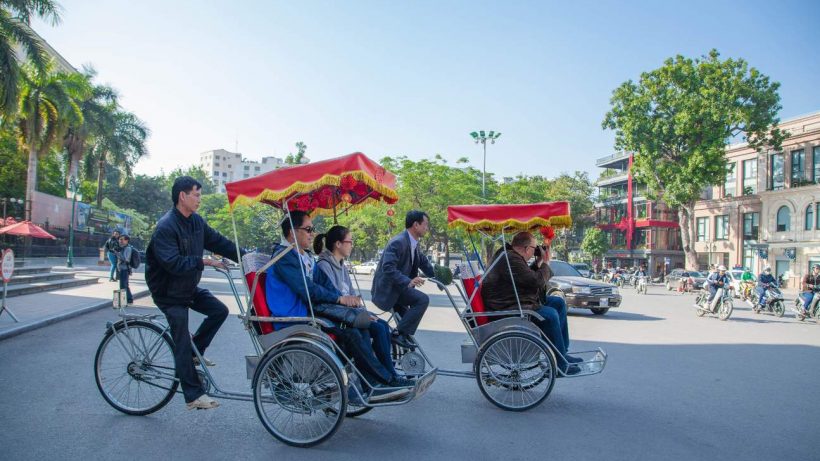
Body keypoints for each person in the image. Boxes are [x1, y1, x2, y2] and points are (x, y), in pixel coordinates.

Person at [266, 211, 411, 401]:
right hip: (294, 315)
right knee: (351, 333)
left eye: (313, 229)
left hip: (310, 309)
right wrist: (339, 300)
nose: (312, 234)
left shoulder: (305, 256)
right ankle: (382, 381)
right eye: (308, 229)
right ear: (293, 232)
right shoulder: (285, 256)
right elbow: (307, 289)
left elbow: (323, 285)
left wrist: (342, 299)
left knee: (363, 328)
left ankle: (375, 382)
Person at [145, 176, 242, 411]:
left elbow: (219, 242)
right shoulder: (166, 226)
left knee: (219, 310)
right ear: (182, 196)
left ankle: (195, 352)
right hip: (167, 292)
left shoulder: (196, 222)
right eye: (196, 195)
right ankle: (193, 395)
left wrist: (245, 256)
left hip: (186, 287)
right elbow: (173, 263)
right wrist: (205, 261)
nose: (200, 199)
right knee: (180, 340)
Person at [312, 225, 411, 387]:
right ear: (338, 244)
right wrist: (359, 314)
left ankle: (390, 374)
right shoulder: (324, 265)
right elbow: (336, 297)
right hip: (336, 314)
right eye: (349, 242)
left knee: (382, 326)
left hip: (349, 312)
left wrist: (363, 313)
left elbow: (352, 295)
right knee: (373, 328)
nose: (352, 245)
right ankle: (383, 378)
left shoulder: (342, 266)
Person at [481, 232, 581, 375]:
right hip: (506, 308)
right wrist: (546, 263)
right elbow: (535, 282)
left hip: (514, 302)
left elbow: (526, 278)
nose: (535, 251)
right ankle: (559, 364)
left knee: (558, 302)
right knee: (550, 315)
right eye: (535, 248)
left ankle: (562, 353)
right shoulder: (510, 259)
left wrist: (539, 261)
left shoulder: (510, 256)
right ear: (527, 248)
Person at [371, 210, 436, 350]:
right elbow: (387, 268)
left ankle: (409, 364)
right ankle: (397, 334)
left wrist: (439, 276)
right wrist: (408, 281)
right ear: (416, 225)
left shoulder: (414, 243)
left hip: (399, 289)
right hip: (390, 291)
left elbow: (424, 263)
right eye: (425, 224)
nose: (427, 228)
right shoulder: (398, 242)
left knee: (408, 328)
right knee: (422, 299)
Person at [115, 234, 134, 305]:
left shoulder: (128, 248)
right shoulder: (123, 248)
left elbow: (126, 260)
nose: (120, 241)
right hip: (122, 269)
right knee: (125, 285)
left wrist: (117, 254)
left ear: (127, 240)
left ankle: (123, 302)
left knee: (123, 285)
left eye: (122, 239)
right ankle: (129, 299)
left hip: (125, 269)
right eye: (120, 239)